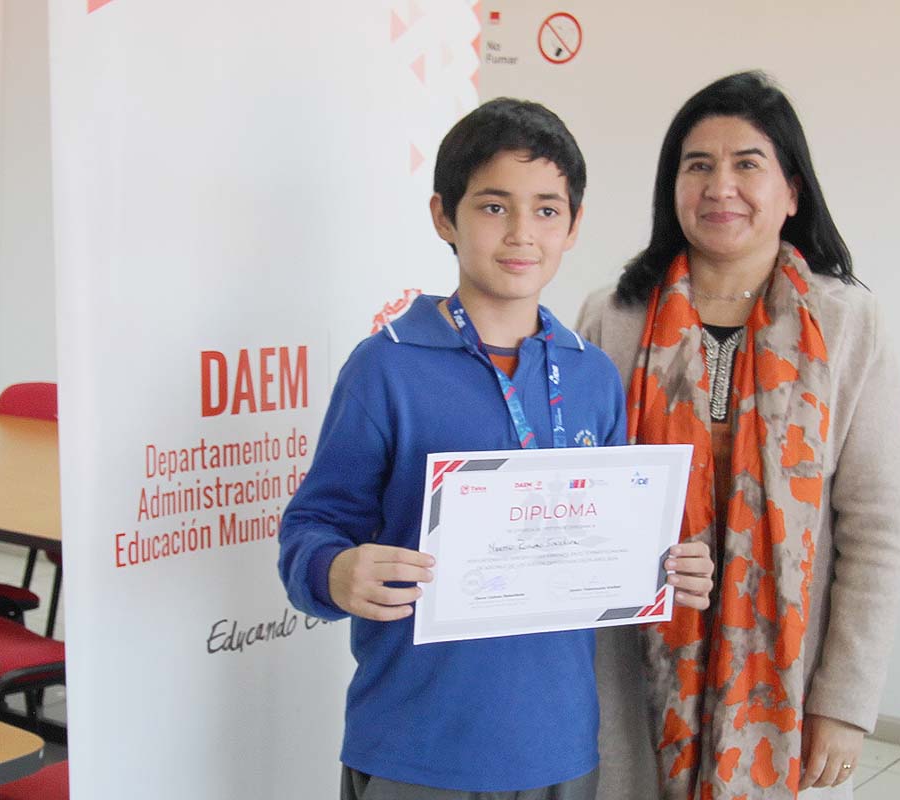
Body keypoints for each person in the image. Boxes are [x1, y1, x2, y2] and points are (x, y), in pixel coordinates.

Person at [278, 98, 714, 800]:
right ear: (443, 217)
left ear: (573, 225)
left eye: (546, 209)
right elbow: (311, 527)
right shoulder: (385, 368)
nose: (521, 233)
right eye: (492, 206)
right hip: (416, 747)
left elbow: (608, 542)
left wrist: (667, 565)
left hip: (560, 747)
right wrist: (334, 572)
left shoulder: (591, 376)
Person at [578, 72, 900, 800]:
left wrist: (844, 702)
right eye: (697, 165)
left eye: (747, 164)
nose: (719, 186)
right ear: (672, 188)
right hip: (633, 673)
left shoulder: (847, 324)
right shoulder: (614, 316)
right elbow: (581, 501)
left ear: (792, 192)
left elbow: (876, 527)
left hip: (787, 688)